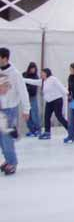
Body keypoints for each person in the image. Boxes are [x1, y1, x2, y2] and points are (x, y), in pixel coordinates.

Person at [0, 48, 30, 176]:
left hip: (10, 110)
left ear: (5, 58)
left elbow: (23, 92)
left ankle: (13, 162)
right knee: (1, 139)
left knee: (7, 138)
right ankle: (8, 159)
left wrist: (26, 109)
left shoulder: (15, 74)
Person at [38, 68, 69, 140]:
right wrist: (22, 79)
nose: (41, 74)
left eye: (42, 73)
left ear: (46, 73)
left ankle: (70, 130)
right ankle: (47, 133)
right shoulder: (43, 81)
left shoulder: (53, 79)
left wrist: (67, 94)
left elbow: (60, 86)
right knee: (46, 117)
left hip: (57, 100)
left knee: (59, 116)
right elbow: (33, 81)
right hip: (49, 101)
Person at [23, 62, 41, 137]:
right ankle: (31, 130)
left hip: (32, 97)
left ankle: (38, 129)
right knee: (27, 114)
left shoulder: (36, 77)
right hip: (25, 97)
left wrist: (28, 87)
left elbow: (34, 88)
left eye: (34, 68)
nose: (33, 70)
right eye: (31, 68)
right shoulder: (24, 74)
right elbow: (22, 85)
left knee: (34, 113)